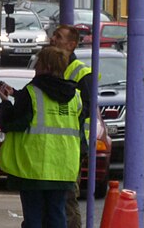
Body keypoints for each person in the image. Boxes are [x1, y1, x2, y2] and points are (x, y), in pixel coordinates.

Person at [0, 46, 82, 228]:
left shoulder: (32, 92)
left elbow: (11, 123)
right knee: (57, 214)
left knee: (33, 216)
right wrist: (17, 95)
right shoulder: (74, 96)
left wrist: (5, 103)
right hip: (63, 168)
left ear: (46, 66)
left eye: (38, 63)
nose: (35, 67)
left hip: (33, 167)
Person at [51, 24, 93, 228]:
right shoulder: (50, 66)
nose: (53, 39)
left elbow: (87, 109)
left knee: (67, 197)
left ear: (71, 44)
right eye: (54, 35)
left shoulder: (81, 72)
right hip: (52, 143)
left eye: (58, 36)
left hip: (73, 145)